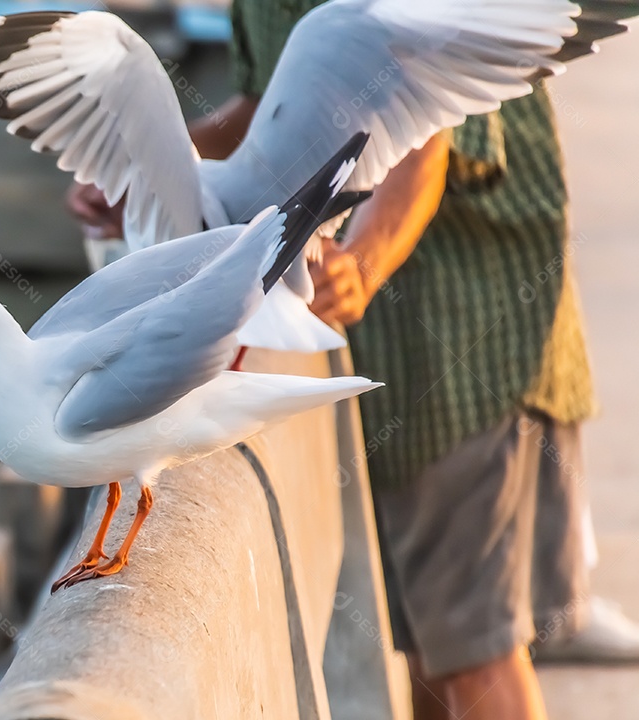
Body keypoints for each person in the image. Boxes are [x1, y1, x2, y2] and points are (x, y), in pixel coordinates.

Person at [68, 2, 603, 717]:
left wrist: (366, 262)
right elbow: (272, 114)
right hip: (369, 344)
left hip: (467, 325)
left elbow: (425, 128)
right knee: (422, 650)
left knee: (476, 654)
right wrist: (151, 168)